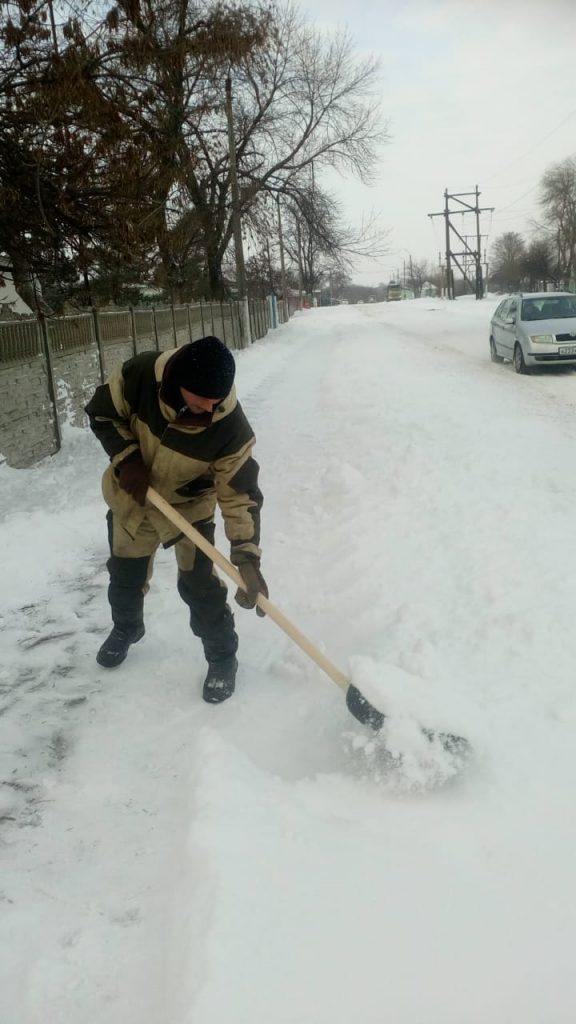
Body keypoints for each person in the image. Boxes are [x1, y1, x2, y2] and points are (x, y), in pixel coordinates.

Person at [85, 335, 267, 703]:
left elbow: (239, 495)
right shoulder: (138, 376)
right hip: (133, 498)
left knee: (199, 586)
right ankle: (127, 628)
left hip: (189, 506)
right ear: (176, 384)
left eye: (217, 400)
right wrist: (126, 458)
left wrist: (246, 556)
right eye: (201, 399)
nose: (210, 407)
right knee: (125, 577)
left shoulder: (229, 426)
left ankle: (222, 656)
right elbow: (102, 413)